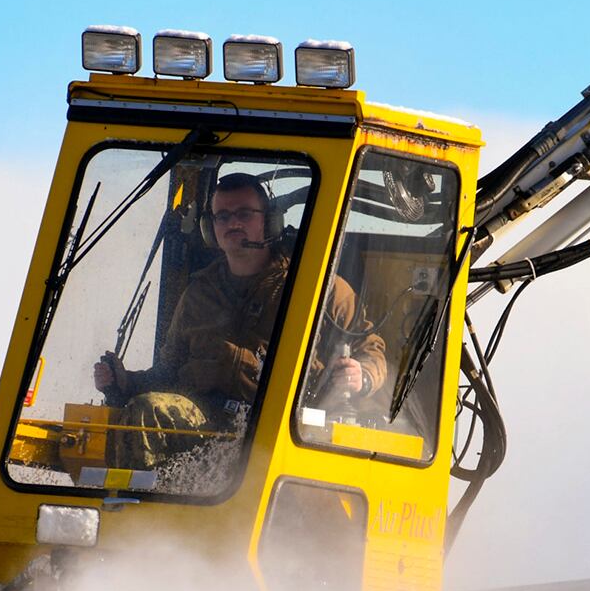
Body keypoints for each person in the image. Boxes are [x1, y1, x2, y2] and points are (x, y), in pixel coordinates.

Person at [93, 173, 385, 472]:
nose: (233, 223)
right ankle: (138, 512)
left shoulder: (319, 288)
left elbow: (371, 350)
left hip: (281, 427)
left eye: (244, 214)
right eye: (222, 216)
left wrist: (362, 375)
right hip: (205, 423)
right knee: (145, 411)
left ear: (269, 221)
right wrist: (124, 382)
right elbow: (168, 372)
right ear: (210, 228)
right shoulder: (197, 294)